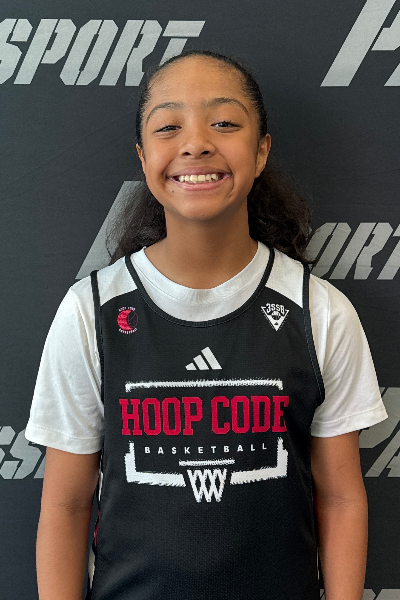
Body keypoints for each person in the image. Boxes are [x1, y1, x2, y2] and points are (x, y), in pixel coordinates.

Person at [25, 50, 388, 600]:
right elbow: (65, 505)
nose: (195, 143)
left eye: (224, 123)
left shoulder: (319, 311)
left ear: (261, 150)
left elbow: (339, 499)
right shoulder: (91, 311)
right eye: (169, 127)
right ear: (143, 156)